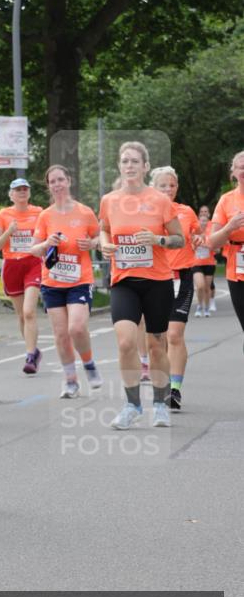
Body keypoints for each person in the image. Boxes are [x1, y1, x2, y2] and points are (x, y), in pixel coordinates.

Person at [99, 142, 184, 429]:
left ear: (146, 167)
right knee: (125, 342)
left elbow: (178, 239)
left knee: (156, 344)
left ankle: (160, 403)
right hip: (123, 280)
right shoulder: (109, 200)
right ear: (119, 166)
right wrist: (104, 244)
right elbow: (103, 228)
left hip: (157, 280)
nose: (130, 166)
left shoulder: (160, 201)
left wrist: (158, 240)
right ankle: (132, 405)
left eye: (136, 161)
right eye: (125, 161)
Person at [28, 165, 102, 398]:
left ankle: (89, 363)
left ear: (69, 181)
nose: (57, 184)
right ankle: (71, 380)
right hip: (52, 282)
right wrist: (46, 243)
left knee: (77, 327)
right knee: (61, 334)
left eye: (61, 179)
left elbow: (100, 237)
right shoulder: (46, 215)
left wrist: (91, 244)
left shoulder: (84, 212)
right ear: (48, 186)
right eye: (52, 181)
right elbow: (34, 249)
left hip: (79, 279)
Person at [149, 167, 200, 411]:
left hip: (182, 276)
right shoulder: (146, 213)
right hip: (155, 279)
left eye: (172, 185)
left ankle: (175, 390)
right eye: (162, 185)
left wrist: (199, 238)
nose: (168, 189)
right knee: (158, 339)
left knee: (175, 334)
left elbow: (197, 234)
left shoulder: (186, 212)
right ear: (153, 188)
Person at [0, 178, 43, 374]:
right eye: (17, 190)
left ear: (29, 193)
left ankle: (30, 356)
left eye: (25, 189)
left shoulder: (39, 213)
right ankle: (33, 350)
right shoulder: (4, 215)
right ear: (11, 195)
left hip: (33, 263)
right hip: (12, 265)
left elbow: (46, 236)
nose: (21, 192)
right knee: (22, 315)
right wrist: (9, 232)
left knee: (30, 311)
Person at [209, 150, 244, 339]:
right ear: (233, 172)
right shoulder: (226, 200)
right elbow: (213, 241)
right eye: (241, 167)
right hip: (237, 272)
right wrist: (229, 228)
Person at [193, 206, 217, 316]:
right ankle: (199, 306)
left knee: (207, 287)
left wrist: (209, 246)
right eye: (201, 220)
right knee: (200, 286)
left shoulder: (212, 228)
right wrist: (195, 245)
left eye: (205, 220)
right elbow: (189, 246)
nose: (203, 222)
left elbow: (217, 247)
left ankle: (207, 308)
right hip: (196, 263)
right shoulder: (193, 229)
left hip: (209, 262)